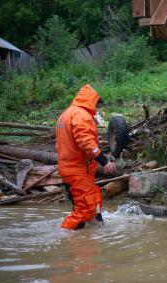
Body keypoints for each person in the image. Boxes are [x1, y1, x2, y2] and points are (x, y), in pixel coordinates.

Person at [56, 84, 117, 230]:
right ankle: (66, 236)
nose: (97, 107)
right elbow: (86, 142)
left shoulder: (66, 114)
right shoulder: (81, 115)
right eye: (97, 103)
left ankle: (99, 228)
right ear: (91, 100)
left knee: (93, 200)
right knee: (84, 209)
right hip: (77, 170)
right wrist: (104, 161)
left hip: (74, 169)